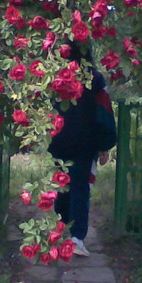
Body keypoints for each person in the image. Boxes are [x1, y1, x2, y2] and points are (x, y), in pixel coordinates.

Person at [48, 42, 117, 256]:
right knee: (80, 188)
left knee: (61, 184)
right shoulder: (95, 78)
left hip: (59, 139)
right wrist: (105, 145)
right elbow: (103, 113)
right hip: (86, 142)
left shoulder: (55, 76)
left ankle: (61, 229)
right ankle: (76, 238)